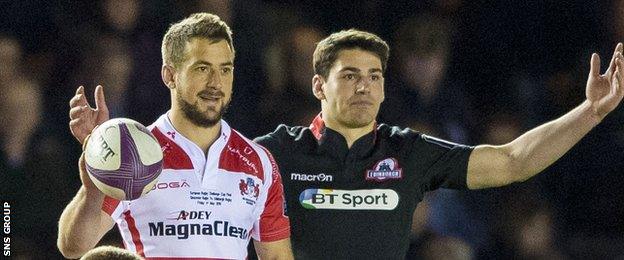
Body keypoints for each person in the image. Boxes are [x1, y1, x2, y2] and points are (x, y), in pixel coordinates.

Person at [253, 29, 624, 259]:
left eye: (374, 76)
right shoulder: (278, 151)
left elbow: (512, 161)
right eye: (349, 76)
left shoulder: (408, 152)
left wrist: (590, 112)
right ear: (319, 86)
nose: (364, 86)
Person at [58, 13, 293, 259]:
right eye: (202, 68)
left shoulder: (258, 162)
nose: (216, 83)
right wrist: (95, 184)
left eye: (225, 69)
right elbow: (73, 246)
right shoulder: (136, 155)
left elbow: (277, 256)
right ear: (170, 75)